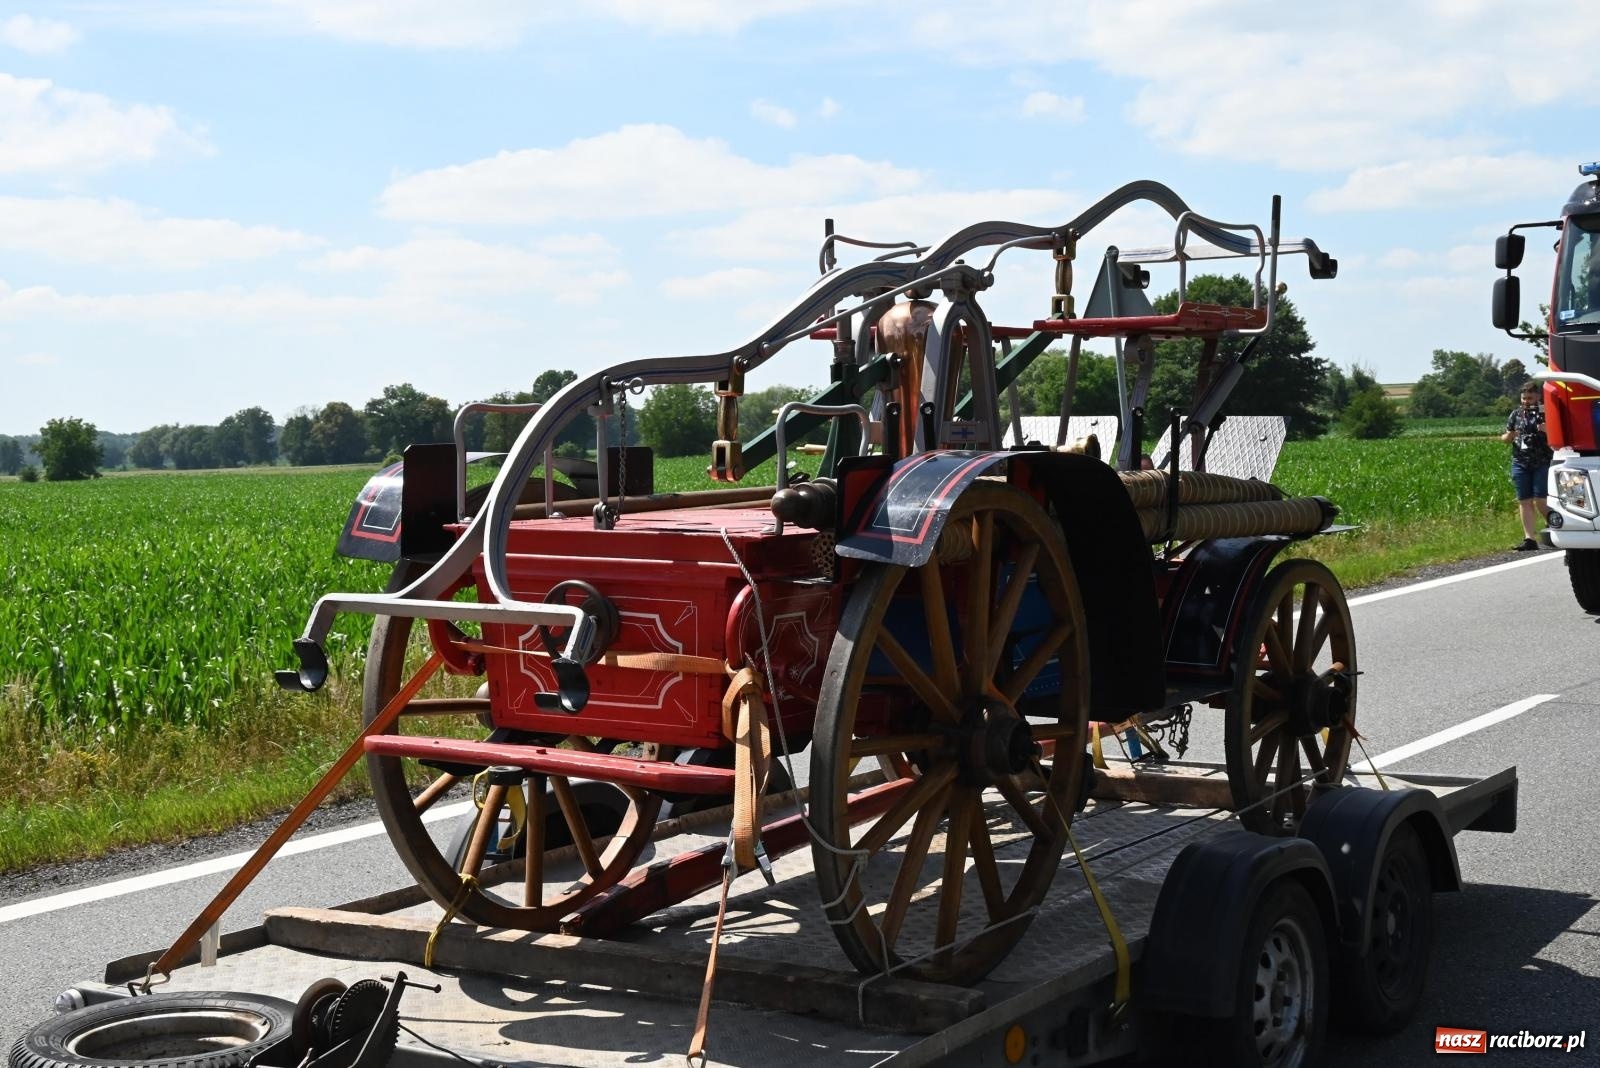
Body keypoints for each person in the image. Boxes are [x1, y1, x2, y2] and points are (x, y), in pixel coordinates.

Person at [1501, 382, 1552, 551]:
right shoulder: (1516, 415)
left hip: (1542, 461)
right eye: (1524, 398)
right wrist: (1509, 435)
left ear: (1538, 396)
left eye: (1530, 398)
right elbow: (1505, 438)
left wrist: (1547, 430)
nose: (1526, 401)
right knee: (1524, 501)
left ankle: (1554, 524)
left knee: (1540, 499)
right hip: (1520, 462)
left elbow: (1560, 437)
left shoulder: (1547, 413)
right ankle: (1529, 539)